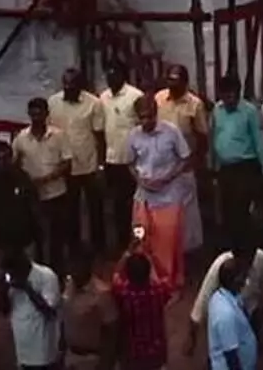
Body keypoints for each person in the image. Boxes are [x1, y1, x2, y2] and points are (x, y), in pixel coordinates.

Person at [126, 95, 193, 291]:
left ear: (156, 113)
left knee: (167, 242)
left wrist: (168, 177)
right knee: (141, 237)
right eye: (142, 118)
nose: (146, 121)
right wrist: (140, 180)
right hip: (143, 198)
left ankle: (170, 282)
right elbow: (130, 163)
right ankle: (146, 279)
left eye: (149, 117)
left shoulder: (171, 132)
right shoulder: (133, 135)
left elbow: (185, 159)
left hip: (169, 197)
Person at [49, 67, 107, 263]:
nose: (68, 88)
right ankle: (74, 246)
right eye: (65, 84)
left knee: (95, 207)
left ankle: (99, 246)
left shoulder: (94, 103)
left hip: (88, 164)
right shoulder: (53, 102)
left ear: (80, 86)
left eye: (72, 85)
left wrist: (100, 165)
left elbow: (99, 136)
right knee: (70, 208)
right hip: (66, 166)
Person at [186, 233, 263, 357]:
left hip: (250, 314)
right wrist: (192, 340)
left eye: (251, 256)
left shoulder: (260, 259)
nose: (248, 261)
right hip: (227, 321)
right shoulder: (220, 267)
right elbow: (201, 304)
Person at [12, 97, 73, 274]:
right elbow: (14, 163)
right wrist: (26, 183)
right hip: (33, 197)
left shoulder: (59, 135)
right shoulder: (21, 138)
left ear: (47, 114)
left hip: (57, 193)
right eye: (33, 114)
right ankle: (38, 272)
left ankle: (57, 272)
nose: (37, 117)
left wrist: (47, 178)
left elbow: (67, 163)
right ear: (29, 114)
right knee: (37, 236)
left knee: (57, 237)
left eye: (40, 113)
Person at [155, 65, 209, 257]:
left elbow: (202, 137)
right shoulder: (159, 99)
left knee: (187, 214)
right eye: (169, 80)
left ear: (185, 83)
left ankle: (189, 253)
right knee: (165, 211)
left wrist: (194, 163)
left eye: (176, 81)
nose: (172, 85)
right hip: (162, 166)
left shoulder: (195, 104)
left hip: (185, 166)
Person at [211, 74, 263, 245]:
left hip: (245, 167)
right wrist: (214, 167)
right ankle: (231, 246)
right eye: (225, 95)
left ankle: (246, 246)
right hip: (225, 169)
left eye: (233, 95)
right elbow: (215, 136)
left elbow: (259, 140)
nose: (229, 99)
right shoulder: (217, 110)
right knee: (226, 209)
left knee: (241, 210)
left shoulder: (250, 111)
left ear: (238, 93)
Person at [99, 62, 145, 254]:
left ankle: (137, 244)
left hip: (131, 162)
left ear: (123, 76)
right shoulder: (103, 97)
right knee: (116, 206)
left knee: (133, 206)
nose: (111, 79)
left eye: (114, 74)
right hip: (111, 161)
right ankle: (119, 245)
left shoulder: (135, 96)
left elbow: (143, 125)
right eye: (108, 75)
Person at [109, 240, 174, 370]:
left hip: (131, 356)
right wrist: (151, 256)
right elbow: (166, 276)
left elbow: (115, 276)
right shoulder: (159, 291)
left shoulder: (123, 293)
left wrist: (127, 253)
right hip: (156, 355)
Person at [0, 247, 64, 370]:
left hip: (44, 355)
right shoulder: (11, 281)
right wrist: (3, 290)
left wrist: (27, 288)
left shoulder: (47, 276)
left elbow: (50, 312)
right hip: (22, 354)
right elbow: (3, 310)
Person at [0, 140, 38, 269]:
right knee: (2, 282)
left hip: (25, 241)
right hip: (0, 244)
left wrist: (38, 240)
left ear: (11, 158)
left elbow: (35, 209)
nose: (3, 163)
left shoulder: (23, 178)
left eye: (6, 158)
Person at [206, 257, 259, 370]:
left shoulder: (222, 295)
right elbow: (231, 357)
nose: (246, 281)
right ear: (234, 280)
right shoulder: (225, 314)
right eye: (243, 277)